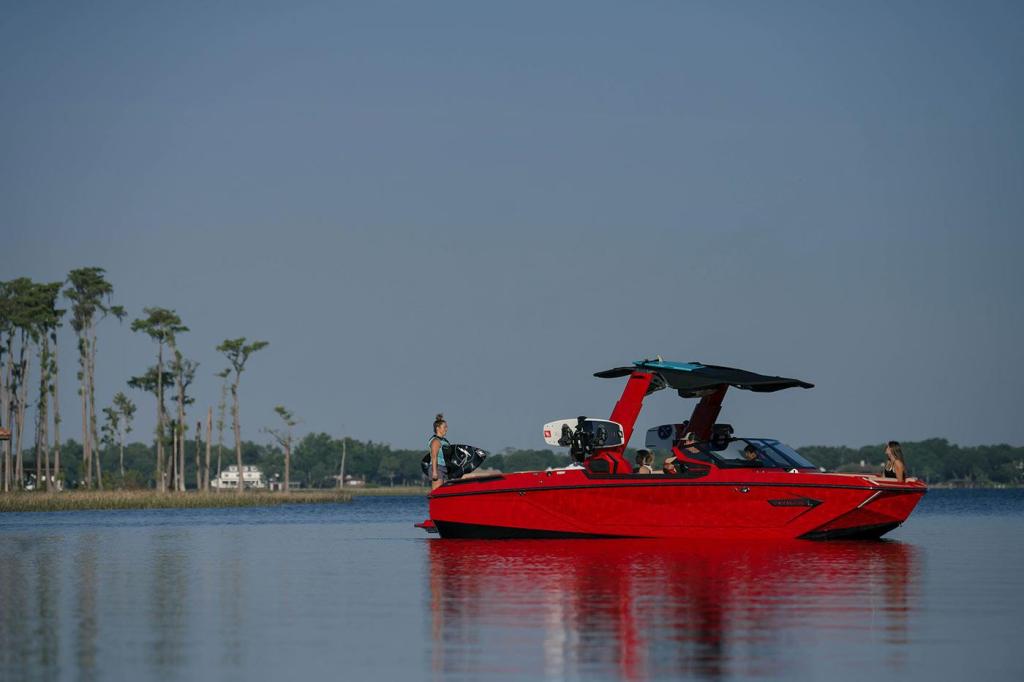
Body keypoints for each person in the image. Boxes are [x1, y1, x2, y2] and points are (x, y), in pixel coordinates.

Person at [428, 413, 450, 490]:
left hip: (445, 468)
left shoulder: (445, 441)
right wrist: (434, 472)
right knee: (437, 492)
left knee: (445, 492)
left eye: (446, 427)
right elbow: (434, 456)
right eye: (444, 427)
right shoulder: (435, 441)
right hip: (438, 468)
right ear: (438, 428)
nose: (446, 429)